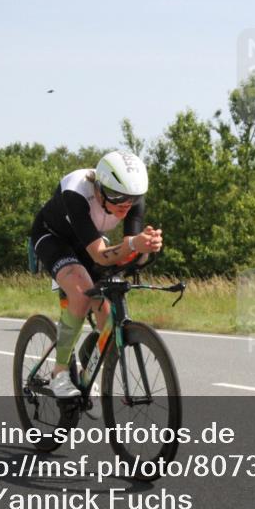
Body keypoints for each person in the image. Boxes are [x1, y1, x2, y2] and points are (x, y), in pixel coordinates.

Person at [29, 150, 162, 397]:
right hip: (54, 238)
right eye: (116, 198)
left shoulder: (132, 199)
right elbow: (101, 255)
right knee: (81, 294)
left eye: (130, 200)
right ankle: (59, 373)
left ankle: (87, 371)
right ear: (99, 188)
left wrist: (147, 248)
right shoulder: (76, 193)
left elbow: (129, 252)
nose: (124, 207)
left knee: (108, 316)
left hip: (89, 240)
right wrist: (134, 245)